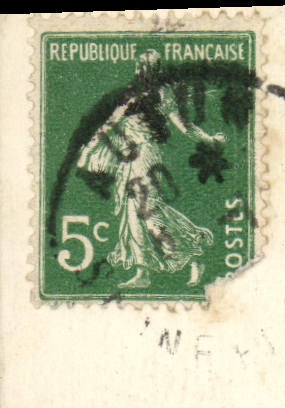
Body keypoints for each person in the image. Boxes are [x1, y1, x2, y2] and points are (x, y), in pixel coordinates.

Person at [76, 50, 223, 289]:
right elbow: (107, 128)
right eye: (146, 67)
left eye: (150, 68)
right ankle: (143, 272)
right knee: (134, 213)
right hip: (130, 159)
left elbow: (184, 127)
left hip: (145, 156)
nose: (146, 72)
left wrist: (210, 139)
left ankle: (192, 255)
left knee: (149, 211)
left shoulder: (159, 95)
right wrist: (85, 154)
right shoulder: (133, 96)